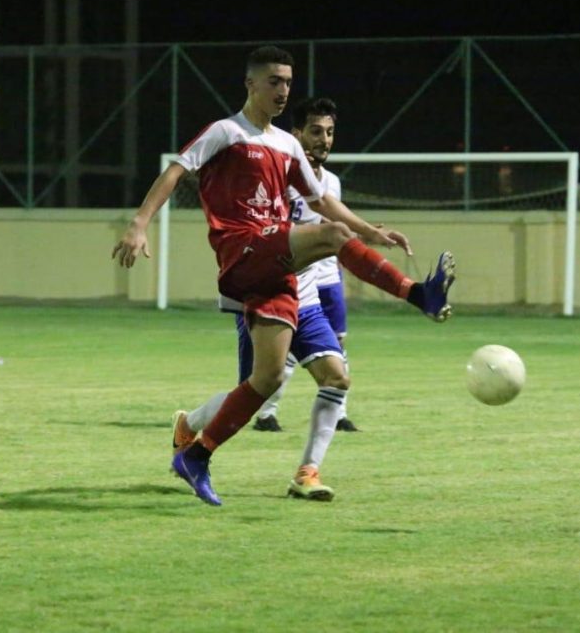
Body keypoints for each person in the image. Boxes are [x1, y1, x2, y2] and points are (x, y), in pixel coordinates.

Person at [113, 46, 454, 506]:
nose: (283, 90)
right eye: (274, 81)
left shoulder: (287, 146)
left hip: (276, 269)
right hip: (243, 248)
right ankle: (417, 294)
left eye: (288, 82)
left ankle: (197, 455)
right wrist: (139, 223)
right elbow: (176, 171)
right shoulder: (226, 131)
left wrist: (371, 232)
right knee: (330, 235)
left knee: (268, 379)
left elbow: (321, 201)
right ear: (250, 83)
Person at [252, 97, 357, 434]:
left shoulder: (333, 182)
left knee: (337, 343)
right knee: (287, 348)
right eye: (316, 131)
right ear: (296, 134)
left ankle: (338, 414)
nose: (324, 139)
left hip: (328, 276)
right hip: (293, 275)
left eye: (330, 132)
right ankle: (266, 414)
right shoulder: (281, 177)